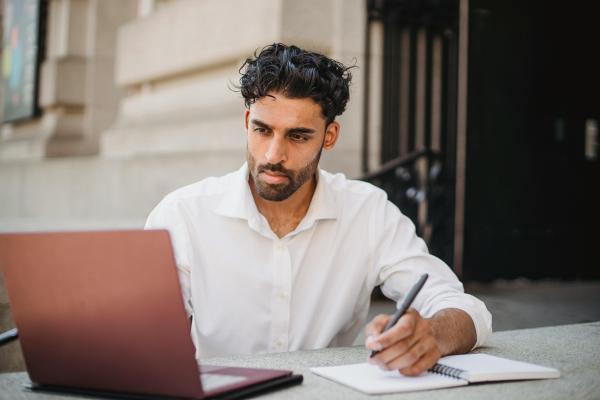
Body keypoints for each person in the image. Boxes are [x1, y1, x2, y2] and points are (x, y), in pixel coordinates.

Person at [145, 43, 491, 376]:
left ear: (330, 136)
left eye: (298, 136)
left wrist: (430, 333)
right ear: (247, 120)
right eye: (262, 130)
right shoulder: (183, 215)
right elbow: (145, 333)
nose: (272, 155)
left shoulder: (366, 211)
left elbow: (465, 309)